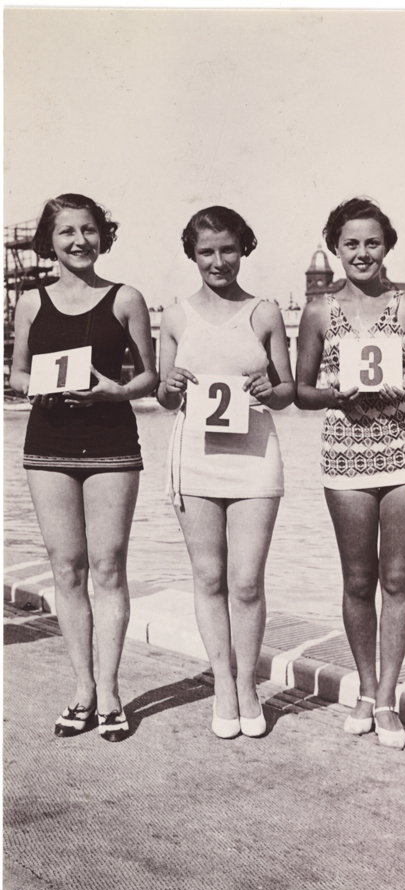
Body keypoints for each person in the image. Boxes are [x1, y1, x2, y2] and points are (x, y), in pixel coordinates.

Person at [296, 197, 405, 749]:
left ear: (388, 246)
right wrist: (333, 394)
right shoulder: (318, 312)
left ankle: (386, 698)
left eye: (372, 242)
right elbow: (302, 392)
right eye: (351, 243)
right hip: (346, 454)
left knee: (398, 579)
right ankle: (363, 687)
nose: (362, 253)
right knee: (358, 580)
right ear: (335, 248)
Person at [10, 193, 157, 742]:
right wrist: (39, 386)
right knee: (67, 569)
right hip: (48, 444)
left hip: (111, 443)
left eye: (89, 230)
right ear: (49, 242)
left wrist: (115, 391)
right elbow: (16, 375)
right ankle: (82, 689)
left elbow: (149, 376)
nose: (79, 241)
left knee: (108, 566)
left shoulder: (126, 298)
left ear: (103, 235)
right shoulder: (30, 303)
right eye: (67, 231)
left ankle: (111, 691)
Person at [158, 206, 294, 738]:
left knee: (246, 581)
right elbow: (164, 395)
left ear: (244, 249)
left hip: (254, 457)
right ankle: (222, 681)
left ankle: (247, 685)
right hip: (195, 457)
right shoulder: (175, 316)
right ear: (192, 255)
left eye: (228, 249)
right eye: (207, 252)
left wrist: (271, 390)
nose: (219, 261)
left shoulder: (264, 312)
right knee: (210, 577)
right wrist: (170, 387)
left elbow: (286, 391)